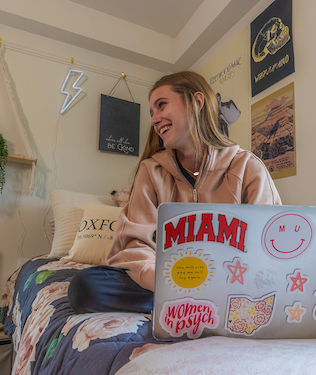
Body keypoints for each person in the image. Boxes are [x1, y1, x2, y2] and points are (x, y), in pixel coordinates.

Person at [68, 71, 281, 314]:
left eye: (161, 105)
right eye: (152, 113)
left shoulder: (248, 167)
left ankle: (200, 305)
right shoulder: (151, 171)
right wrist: (171, 283)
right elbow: (136, 246)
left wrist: (228, 280)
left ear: (197, 102)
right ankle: (203, 306)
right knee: (85, 287)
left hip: (233, 281)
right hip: (166, 282)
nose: (155, 119)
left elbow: (267, 245)